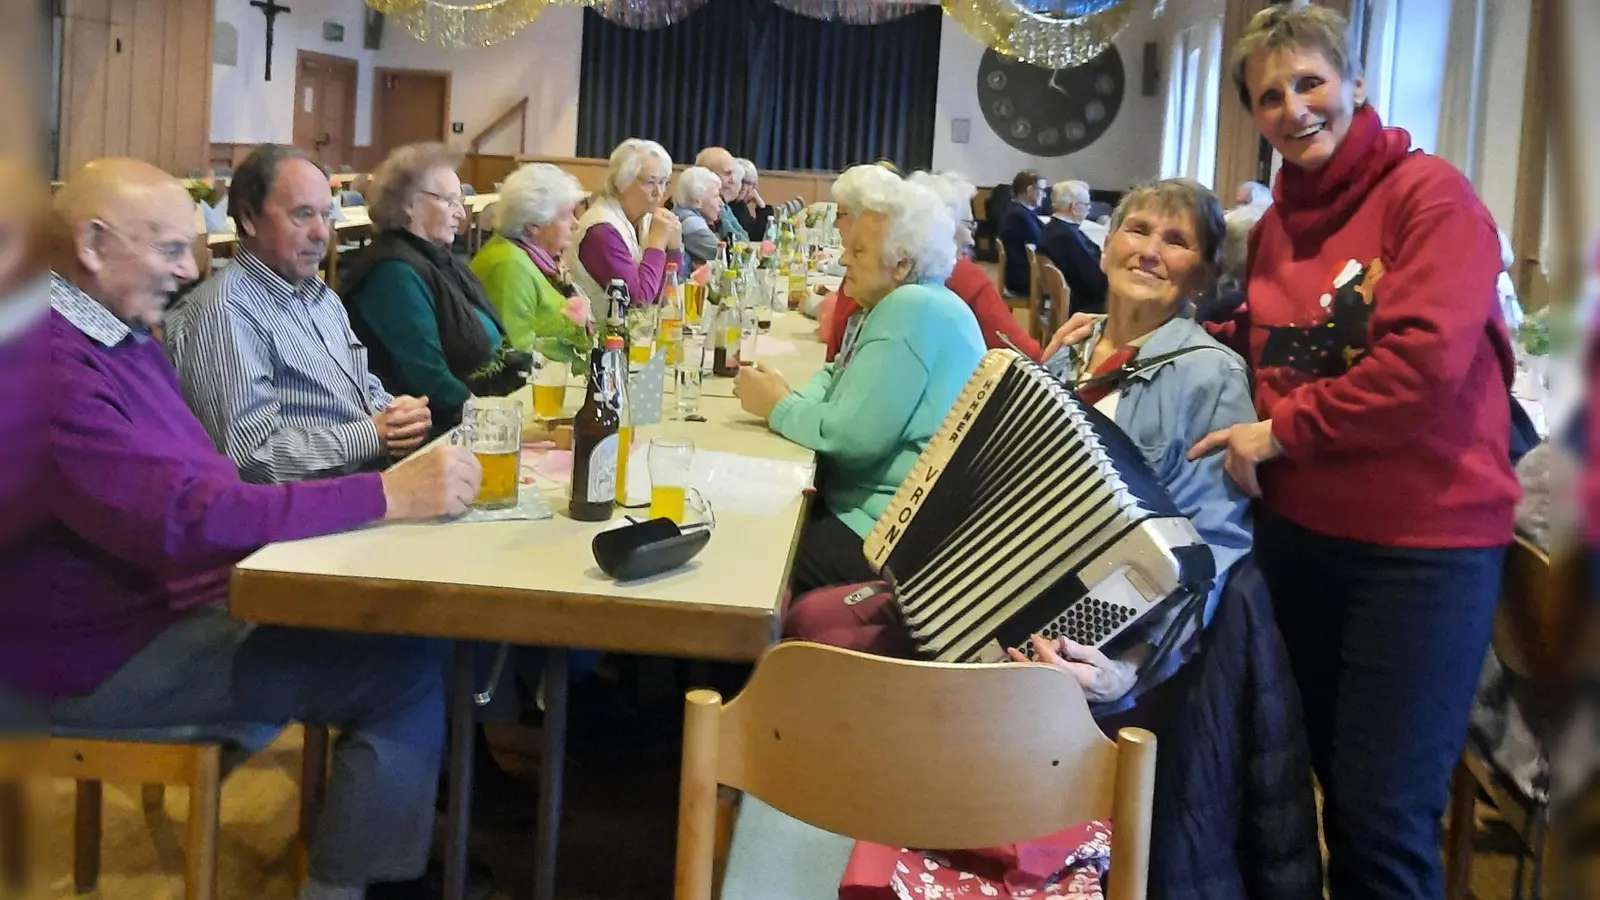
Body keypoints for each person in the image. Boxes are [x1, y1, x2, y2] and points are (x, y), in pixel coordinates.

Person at [1088, 9, 1513, 898]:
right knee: (1312, 781)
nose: (1294, 108)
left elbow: (1424, 367)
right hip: (1304, 536)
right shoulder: (1281, 224)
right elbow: (1276, 339)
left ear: (1355, 83)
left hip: (1420, 549)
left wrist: (1281, 432)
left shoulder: (1432, 199)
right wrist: (1143, 335)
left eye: (1310, 82)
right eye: (1270, 96)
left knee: (1383, 820)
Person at [7, 158, 482, 900]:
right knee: (401, 669)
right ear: (93, 245)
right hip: (86, 659)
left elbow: (206, 488)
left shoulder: (118, 333)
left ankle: (390, 850)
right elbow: (184, 517)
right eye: (170, 248)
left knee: (407, 632)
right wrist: (383, 495)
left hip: (169, 607)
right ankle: (350, 884)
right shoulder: (47, 367)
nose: (189, 269)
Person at [790, 178, 1257, 713]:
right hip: (978, 597)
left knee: (817, 640)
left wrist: (1127, 669)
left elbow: (1209, 552)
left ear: (1203, 274)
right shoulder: (1073, 349)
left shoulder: (1210, 377)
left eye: (1176, 241)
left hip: (1082, 647)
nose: (1150, 251)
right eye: (1138, 230)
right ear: (1106, 246)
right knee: (809, 619)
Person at [732, 172, 985, 593]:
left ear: (901, 264)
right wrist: (789, 400)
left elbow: (851, 440)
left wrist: (779, 408)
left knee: (749, 550)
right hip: (886, 520)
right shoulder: (909, 302)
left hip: (888, 535)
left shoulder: (912, 309)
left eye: (859, 250)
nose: (844, 260)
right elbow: (837, 375)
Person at [166, 145, 432, 484]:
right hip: (305, 508)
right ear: (248, 219)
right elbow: (250, 459)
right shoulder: (226, 312)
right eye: (303, 214)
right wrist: (371, 435)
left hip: (366, 481)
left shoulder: (321, 296)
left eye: (326, 214)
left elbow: (359, 388)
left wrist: (398, 416)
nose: (322, 233)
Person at [341, 143, 526, 436]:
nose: (461, 214)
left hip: (474, 412)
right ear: (408, 203)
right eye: (450, 201)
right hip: (432, 432)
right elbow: (430, 381)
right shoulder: (393, 273)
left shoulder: (439, 258)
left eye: (460, 201)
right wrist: (495, 419)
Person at [823, 170, 1040, 359]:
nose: (971, 239)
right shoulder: (963, 278)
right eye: (967, 224)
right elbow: (1024, 354)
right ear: (941, 225)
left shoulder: (877, 279)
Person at [468, 162, 594, 369]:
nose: (575, 223)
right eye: (565, 216)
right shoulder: (509, 267)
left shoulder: (538, 260)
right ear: (534, 225)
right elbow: (516, 356)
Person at [568, 138, 683, 319]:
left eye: (663, 183)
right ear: (622, 182)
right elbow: (639, 303)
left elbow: (664, 296)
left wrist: (674, 249)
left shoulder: (645, 220)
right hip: (601, 335)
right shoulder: (601, 231)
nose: (659, 193)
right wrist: (657, 244)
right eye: (650, 182)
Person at [1041, 179, 1109, 314]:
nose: (1089, 208)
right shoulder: (1065, 236)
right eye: (1087, 205)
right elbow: (1094, 282)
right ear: (1074, 207)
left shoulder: (1055, 228)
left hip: (1075, 299)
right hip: (1084, 306)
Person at [998, 169, 1048, 296]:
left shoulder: (1020, 211)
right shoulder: (1018, 216)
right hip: (1022, 279)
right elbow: (1042, 242)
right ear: (1030, 190)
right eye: (1042, 190)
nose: (1045, 195)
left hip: (1023, 273)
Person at [669, 166, 726, 268]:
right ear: (696, 201)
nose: (721, 203)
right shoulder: (691, 222)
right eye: (716, 196)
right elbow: (725, 257)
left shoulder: (681, 213)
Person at [694, 146, 748, 243]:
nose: (733, 180)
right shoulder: (692, 202)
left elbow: (743, 238)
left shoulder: (721, 201)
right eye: (728, 174)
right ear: (709, 174)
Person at [731, 157, 773, 241]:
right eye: (742, 181)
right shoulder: (728, 206)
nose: (744, 187)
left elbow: (760, 235)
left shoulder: (740, 206)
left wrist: (761, 205)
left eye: (749, 183)